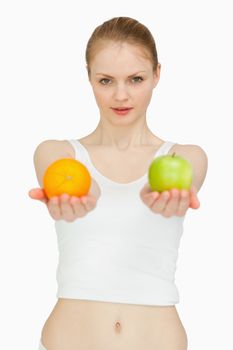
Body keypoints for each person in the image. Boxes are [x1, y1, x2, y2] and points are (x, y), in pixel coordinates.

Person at [29, 16, 208, 350]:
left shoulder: (184, 156)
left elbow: (189, 172)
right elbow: (72, 180)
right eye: (106, 80)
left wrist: (166, 191)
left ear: (157, 75)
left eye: (136, 79)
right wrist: (88, 194)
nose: (121, 95)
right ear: (89, 78)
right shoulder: (56, 152)